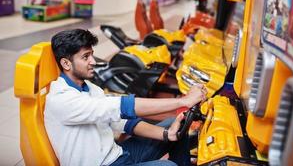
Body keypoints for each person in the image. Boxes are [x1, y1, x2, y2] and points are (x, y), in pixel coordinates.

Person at [44, 29, 207, 166]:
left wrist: (167, 134)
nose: (93, 61)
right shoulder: (61, 99)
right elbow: (120, 106)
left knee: (174, 125)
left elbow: (123, 122)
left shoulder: (91, 88)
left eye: (92, 55)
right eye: (85, 57)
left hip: (118, 154)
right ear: (66, 64)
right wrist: (182, 101)